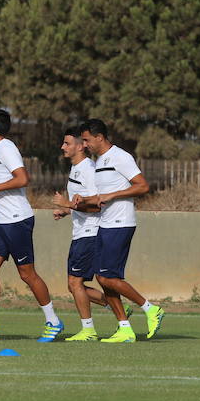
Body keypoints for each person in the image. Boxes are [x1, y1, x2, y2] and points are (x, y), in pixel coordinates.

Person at [0, 109, 63, 342]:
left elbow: (23, 178)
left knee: (27, 274)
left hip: (17, 221)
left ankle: (53, 321)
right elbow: (9, 183)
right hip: (1, 221)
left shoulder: (7, 148)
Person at [72, 119, 165, 343]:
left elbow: (142, 186)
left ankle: (151, 309)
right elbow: (102, 196)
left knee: (108, 277)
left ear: (99, 137)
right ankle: (124, 328)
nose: (84, 145)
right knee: (102, 277)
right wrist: (83, 199)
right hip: (105, 224)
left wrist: (113, 195)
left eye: (86, 140)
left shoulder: (121, 157)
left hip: (121, 224)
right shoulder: (100, 161)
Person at [52, 127, 129, 341]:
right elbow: (82, 202)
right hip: (80, 232)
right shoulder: (77, 169)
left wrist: (67, 204)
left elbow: (98, 206)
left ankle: (88, 330)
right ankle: (113, 307)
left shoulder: (88, 169)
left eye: (67, 143)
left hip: (90, 233)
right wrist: (66, 211)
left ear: (80, 146)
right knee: (74, 284)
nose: (63, 147)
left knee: (75, 283)